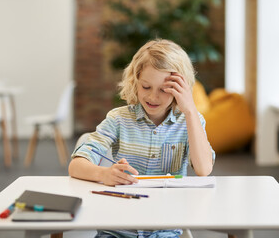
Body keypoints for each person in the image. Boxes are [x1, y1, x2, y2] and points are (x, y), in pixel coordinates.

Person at [69, 39, 215, 238]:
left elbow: (204, 169)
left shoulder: (191, 121)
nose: (153, 97)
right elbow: (76, 166)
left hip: (165, 231)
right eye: (146, 87)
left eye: (164, 90)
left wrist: (189, 109)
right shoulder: (118, 119)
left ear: (181, 89)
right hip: (116, 230)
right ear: (135, 82)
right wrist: (104, 174)